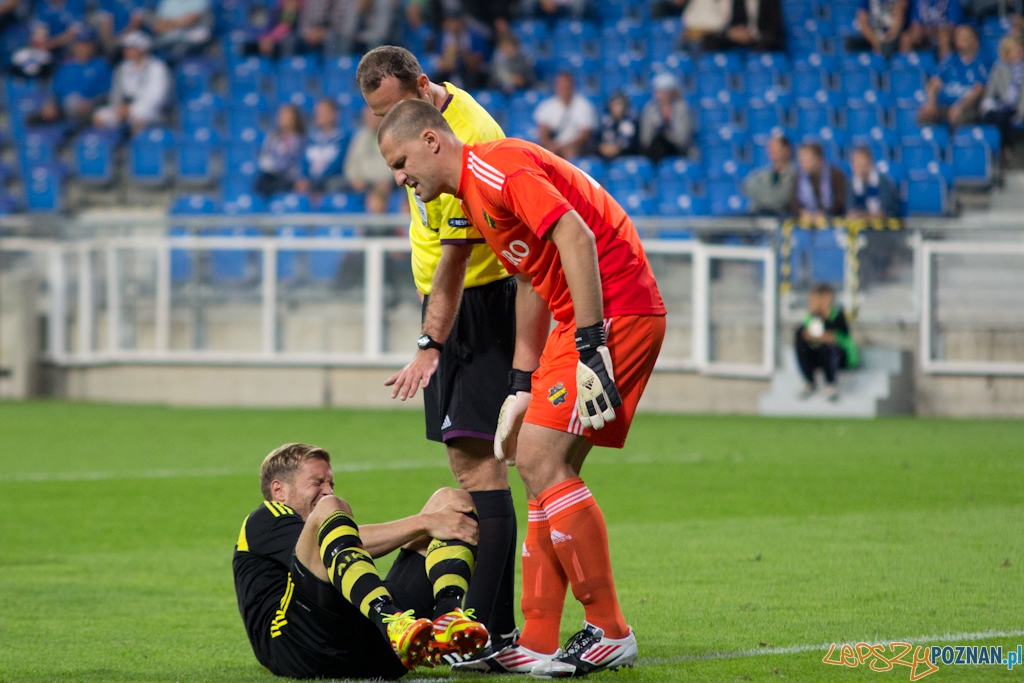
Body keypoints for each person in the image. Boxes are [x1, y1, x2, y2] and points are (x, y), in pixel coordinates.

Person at [376, 98, 666, 676]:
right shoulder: (473, 198)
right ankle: (535, 639)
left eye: (401, 162)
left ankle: (609, 630)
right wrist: (519, 381)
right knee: (536, 464)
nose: (401, 178)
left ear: (433, 141)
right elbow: (532, 279)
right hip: (578, 317)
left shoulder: (494, 167)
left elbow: (576, 235)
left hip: (613, 309)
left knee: (536, 457)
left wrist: (590, 344)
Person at [356, 46, 519, 663]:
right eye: (377, 115)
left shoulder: (465, 138)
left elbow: (455, 258)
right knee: (472, 467)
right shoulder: (422, 129)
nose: (387, 128)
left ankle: (488, 631)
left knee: (482, 470)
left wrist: (431, 342)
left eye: (394, 110)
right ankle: (492, 630)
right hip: (457, 306)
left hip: (473, 307)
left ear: (422, 90)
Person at [233, 442, 489, 678]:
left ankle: (446, 616)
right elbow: (325, 549)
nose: (326, 490)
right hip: (302, 647)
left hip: (375, 651)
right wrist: (426, 522)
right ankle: (390, 619)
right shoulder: (264, 518)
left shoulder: (323, 521)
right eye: (317, 483)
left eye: (330, 483)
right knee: (332, 507)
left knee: (454, 501)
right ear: (278, 489)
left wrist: (436, 520)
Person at [92, 32, 171, 133]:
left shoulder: (157, 67)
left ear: (142, 49)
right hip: (125, 107)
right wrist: (119, 107)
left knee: (139, 115)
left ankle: (138, 145)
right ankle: (107, 145)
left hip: (150, 109)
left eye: (131, 48)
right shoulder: (121, 68)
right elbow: (116, 93)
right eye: (126, 48)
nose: (127, 51)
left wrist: (131, 108)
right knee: (100, 116)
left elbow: (157, 97)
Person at [33, 29, 111, 127]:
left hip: (88, 109)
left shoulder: (101, 65)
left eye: (87, 45)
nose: (83, 48)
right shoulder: (65, 66)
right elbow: (55, 90)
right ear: (74, 46)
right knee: (33, 117)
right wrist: (51, 104)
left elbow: (106, 92)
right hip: (63, 109)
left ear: (93, 46)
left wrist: (91, 103)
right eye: (80, 45)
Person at [795, 284, 858, 401]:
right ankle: (809, 381)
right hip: (820, 356)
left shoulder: (838, 316)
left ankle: (831, 383)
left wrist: (823, 337)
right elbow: (805, 334)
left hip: (841, 357)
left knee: (827, 346)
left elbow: (838, 339)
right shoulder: (812, 317)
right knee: (801, 341)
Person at [918, 24, 988, 126]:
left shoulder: (982, 62)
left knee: (959, 118)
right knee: (924, 116)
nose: (961, 39)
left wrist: (960, 106)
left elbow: (979, 90)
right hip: (945, 106)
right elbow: (934, 84)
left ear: (975, 42)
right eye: (959, 36)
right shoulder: (949, 60)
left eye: (965, 37)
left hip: (967, 107)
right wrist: (931, 104)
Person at [534, 72, 597, 158]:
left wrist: (563, 146)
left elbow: (584, 134)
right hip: (553, 146)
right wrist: (550, 145)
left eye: (567, 86)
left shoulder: (584, 106)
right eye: (561, 86)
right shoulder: (547, 106)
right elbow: (542, 132)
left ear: (573, 86)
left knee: (570, 152)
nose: (564, 89)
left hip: (574, 146)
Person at [299, 0, 394, 55]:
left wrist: (358, 37)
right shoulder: (354, 3)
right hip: (356, 38)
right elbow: (348, 30)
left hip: (381, 41)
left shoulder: (384, 4)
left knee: (374, 42)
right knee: (341, 39)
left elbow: (380, 33)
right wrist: (358, 12)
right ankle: (341, 68)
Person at [296, 98, 347, 195]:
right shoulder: (310, 139)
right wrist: (305, 179)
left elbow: (338, 164)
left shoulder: (344, 139)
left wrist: (317, 181)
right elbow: (304, 162)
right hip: (310, 182)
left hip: (329, 182)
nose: (318, 115)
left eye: (323, 112)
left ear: (334, 114)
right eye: (317, 112)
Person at [980, 35, 1024, 145]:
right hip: (1004, 105)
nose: (1021, 53)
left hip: (1019, 106)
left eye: (1021, 50)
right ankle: (996, 148)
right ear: (1007, 52)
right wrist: (987, 104)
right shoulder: (999, 68)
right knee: (992, 115)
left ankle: (1005, 147)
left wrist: (1020, 113)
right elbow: (990, 92)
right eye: (1017, 50)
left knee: (1002, 117)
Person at [343, 105, 395, 196]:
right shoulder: (359, 137)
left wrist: (388, 181)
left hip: (385, 183)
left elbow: (395, 162)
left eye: (372, 116)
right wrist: (354, 180)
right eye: (367, 117)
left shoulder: (392, 136)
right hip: (362, 184)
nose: (369, 119)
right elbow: (350, 163)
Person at [639, 72, 691, 163]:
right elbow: (645, 139)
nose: (658, 95)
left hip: (676, 148)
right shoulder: (650, 109)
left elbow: (683, 139)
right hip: (654, 149)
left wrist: (668, 135)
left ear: (669, 92)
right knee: (658, 143)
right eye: (657, 92)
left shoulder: (681, 109)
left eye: (661, 92)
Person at [255, 104, 305, 198]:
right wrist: (272, 167)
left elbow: (298, 160)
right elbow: (265, 156)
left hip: (289, 177)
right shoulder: (272, 137)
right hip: (272, 175)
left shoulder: (300, 139)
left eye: (287, 116)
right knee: (260, 183)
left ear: (295, 119)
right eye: (281, 116)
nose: (283, 119)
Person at [791, 142, 847, 221]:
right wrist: (802, 212)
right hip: (807, 221)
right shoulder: (799, 177)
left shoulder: (836, 175)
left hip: (832, 220)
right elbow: (794, 202)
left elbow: (840, 201)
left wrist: (825, 213)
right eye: (801, 160)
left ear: (818, 159)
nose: (803, 164)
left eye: (807, 160)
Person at [700, 0, 785, 52]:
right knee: (710, 40)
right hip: (742, 37)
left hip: (761, 38)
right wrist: (735, 33)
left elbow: (774, 27)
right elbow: (733, 22)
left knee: (765, 44)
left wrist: (753, 35)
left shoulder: (770, 2)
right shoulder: (738, 2)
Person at [743, 134, 796, 216]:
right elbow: (747, 188)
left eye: (776, 148)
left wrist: (761, 197)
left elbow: (781, 198)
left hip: (783, 217)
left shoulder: (796, 175)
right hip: (759, 216)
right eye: (770, 148)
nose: (772, 151)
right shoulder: (760, 175)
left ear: (787, 150)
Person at [846, 146, 901, 220]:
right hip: (861, 226)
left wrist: (862, 215)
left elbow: (885, 211)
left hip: (885, 227)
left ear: (870, 163)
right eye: (856, 164)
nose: (859, 168)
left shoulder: (883, 181)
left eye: (862, 164)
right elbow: (851, 210)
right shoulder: (852, 182)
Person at [597, 93, 639, 161]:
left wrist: (614, 149)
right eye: (614, 104)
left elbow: (628, 144)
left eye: (619, 104)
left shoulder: (630, 122)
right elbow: (598, 141)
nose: (616, 108)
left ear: (625, 106)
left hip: (625, 158)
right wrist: (602, 148)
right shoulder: (605, 121)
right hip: (605, 158)